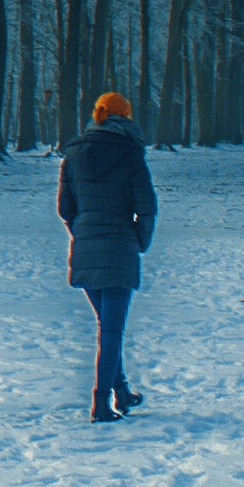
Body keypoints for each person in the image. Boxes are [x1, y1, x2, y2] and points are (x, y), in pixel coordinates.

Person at [57, 92, 158, 423]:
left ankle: (122, 390)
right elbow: (147, 208)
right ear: (125, 118)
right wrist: (138, 241)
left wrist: (81, 231)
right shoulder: (130, 154)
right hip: (119, 247)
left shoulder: (72, 155)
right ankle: (101, 403)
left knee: (108, 326)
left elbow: (65, 208)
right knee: (112, 331)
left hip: (86, 246)